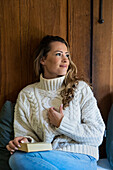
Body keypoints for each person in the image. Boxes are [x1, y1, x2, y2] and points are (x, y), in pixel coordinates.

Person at [6, 35, 105, 170]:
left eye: (67, 55)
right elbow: (25, 134)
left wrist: (61, 124)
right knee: (16, 159)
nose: (65, 59)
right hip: (47, 156)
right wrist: (24, 141)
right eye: (58, 54)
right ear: (43, 60)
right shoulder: (26, 94)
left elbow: (97, 135)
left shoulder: (81, 89)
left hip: (82, 157)